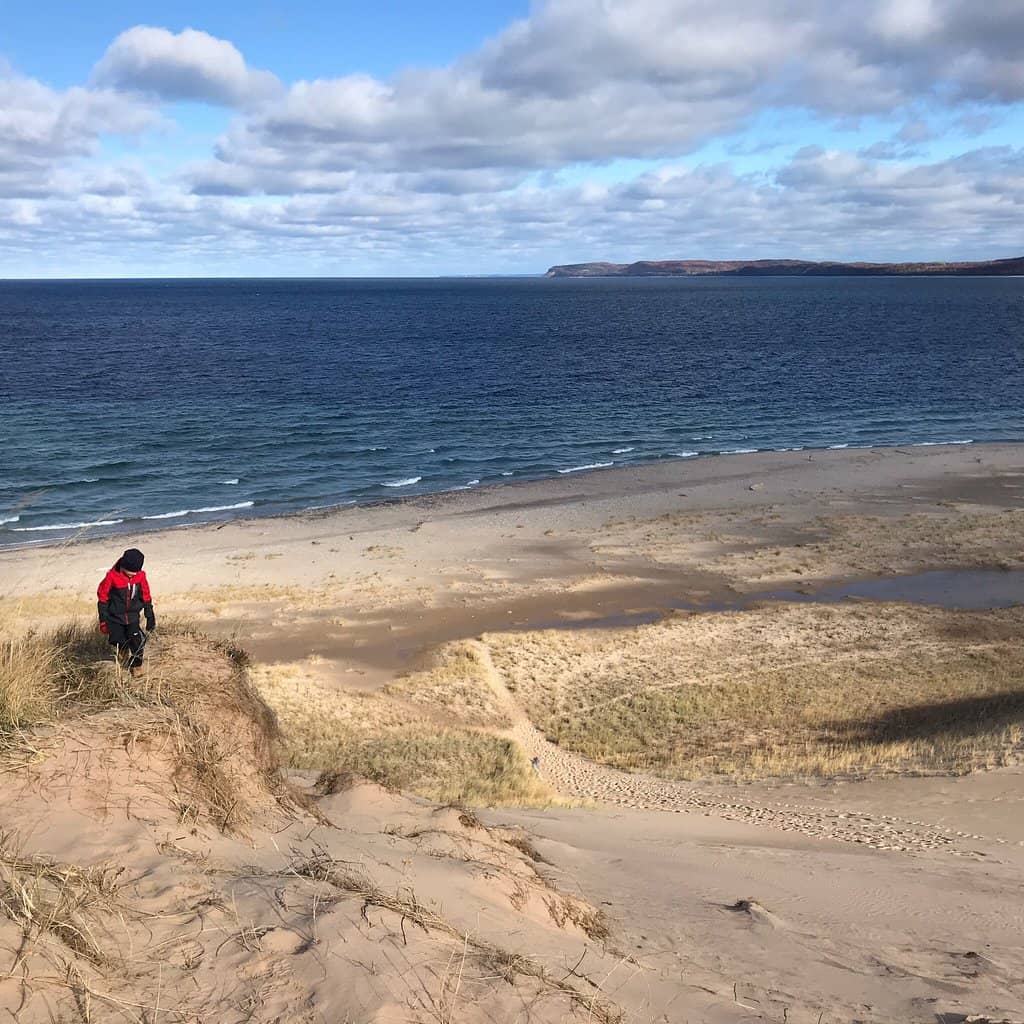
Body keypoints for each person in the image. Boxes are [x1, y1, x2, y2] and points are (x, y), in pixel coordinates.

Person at [97, 548, 156, 676]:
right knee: (118, 640)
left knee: (137, 640)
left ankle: (136, 666)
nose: (132, 575)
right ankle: (122, 649)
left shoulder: (141, 576)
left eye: (135, 573)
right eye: (129, 572)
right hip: (115, 617)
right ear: (122, 566)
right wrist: (103, 620)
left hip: (132, 616)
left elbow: (145, 594)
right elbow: (102, 598)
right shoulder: (112, 576)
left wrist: (149, 614)